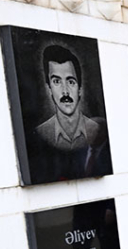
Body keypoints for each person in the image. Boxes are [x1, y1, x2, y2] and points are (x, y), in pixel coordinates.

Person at [33, 44, 111, 181]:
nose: (65, 92)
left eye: (71, 82)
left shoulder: (96, 132)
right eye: (57, 81)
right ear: (49, 89)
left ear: (80, 89)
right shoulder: (41, 135)